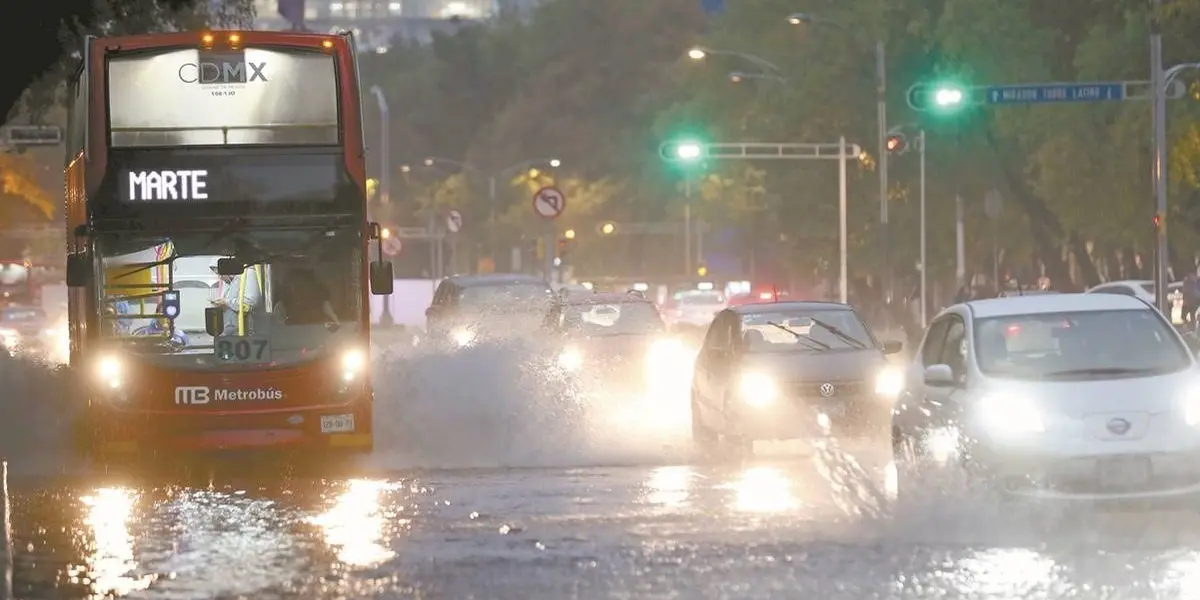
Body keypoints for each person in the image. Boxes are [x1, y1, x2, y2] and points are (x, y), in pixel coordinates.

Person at [209, 257, 263, 336]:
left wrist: (226, 303)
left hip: (246, 332)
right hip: (230, 333)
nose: (220, 277)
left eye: (220, 273)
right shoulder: (229, 281)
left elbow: (251, 302)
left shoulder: (248, 273)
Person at [274, 267, 338, 328]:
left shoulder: (323, 305)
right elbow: (279, 330)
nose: (298, 289)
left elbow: (333, 324)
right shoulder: (281, 307)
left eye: (302, 285)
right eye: (295, 285)